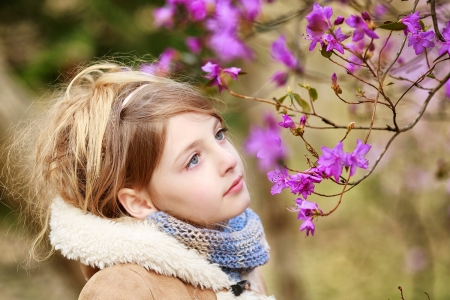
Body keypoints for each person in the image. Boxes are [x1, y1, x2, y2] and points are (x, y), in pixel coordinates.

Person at [14, 63, 275, 299]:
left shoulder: (239, 255)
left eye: (218, 134)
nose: (228, 159)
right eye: (193, 160)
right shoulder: (125, 289)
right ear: (138, 202)